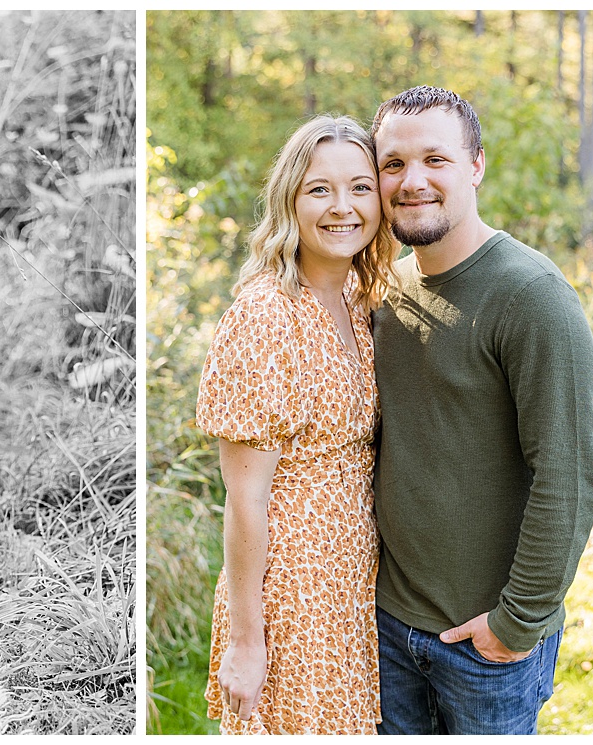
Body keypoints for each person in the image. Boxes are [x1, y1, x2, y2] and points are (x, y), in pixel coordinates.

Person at [368, 85, 593, 735]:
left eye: (435, 160)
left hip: (484, 645)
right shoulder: (386, 290)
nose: (412, 181)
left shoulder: (532, 296)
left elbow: (570, 475)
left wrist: (514, 624)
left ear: (475, 165)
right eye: (393, 164)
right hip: (387, 625)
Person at [196, 115, 399, 734]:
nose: (343, 208)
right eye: (320, 189)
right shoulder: (264, 317)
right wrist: (246, 639)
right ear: (290, 200)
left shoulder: (364, 303)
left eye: (361, 188)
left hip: (353, 584)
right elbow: (245, 499)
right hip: (290, 592)